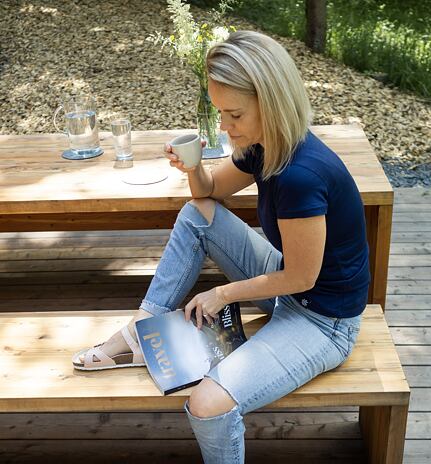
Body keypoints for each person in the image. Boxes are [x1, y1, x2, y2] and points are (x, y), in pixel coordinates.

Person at [73, 30, 370, 463]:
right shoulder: (262, 144)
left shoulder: (301, 174)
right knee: (197, 215)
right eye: (219, 113)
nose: (224, 127)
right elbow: (208, 192)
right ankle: (141, 330)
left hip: (324, 319)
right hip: (291, 285)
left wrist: (222, 293)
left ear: (270, 103)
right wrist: (192, 167)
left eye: (233, 115)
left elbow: (301, 277)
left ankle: (142, 339)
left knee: (206, 404)